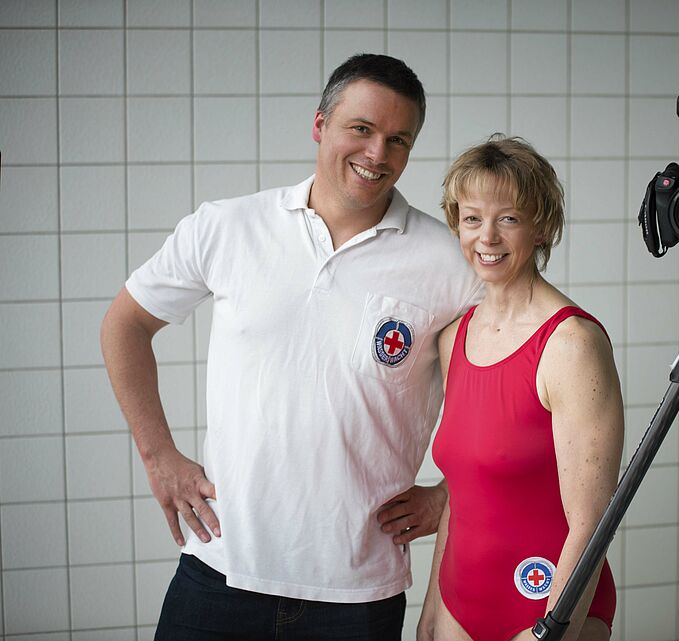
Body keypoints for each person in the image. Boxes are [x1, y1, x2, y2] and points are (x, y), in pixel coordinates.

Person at [100, 54, 481, 640]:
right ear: (320, 124)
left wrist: (449, 496)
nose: (378, 154)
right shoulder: (227, 227)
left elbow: (499, 390)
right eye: (361, 129)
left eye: (398, 139)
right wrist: (160, 459)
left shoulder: (447, 261)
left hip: (358, 592)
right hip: (220, 573)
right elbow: (124, 326)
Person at [418, 137, 625, 641]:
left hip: (547, 611)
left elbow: (591, 522)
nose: (486, 236)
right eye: (471, 218)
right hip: (457, 605)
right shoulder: (454, 337)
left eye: (508, 218)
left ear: (541, 228)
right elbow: (463, 497)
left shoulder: (572, 343)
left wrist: (553, 630)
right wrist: (430, 611)